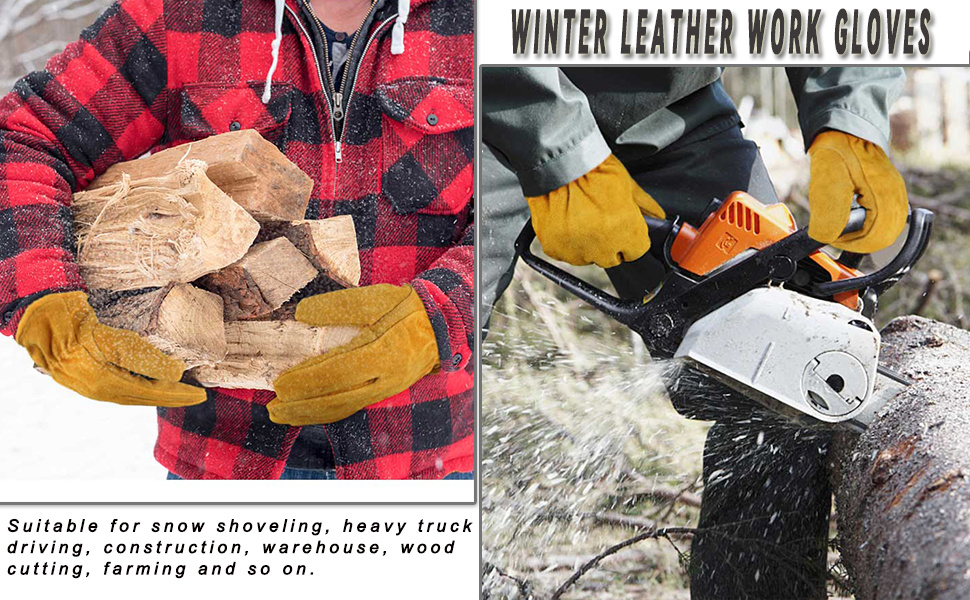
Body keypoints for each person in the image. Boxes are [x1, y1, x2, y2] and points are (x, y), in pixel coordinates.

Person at [0, 0, 474, 481]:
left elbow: (524, 200)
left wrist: (439, 317)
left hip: (427, 460)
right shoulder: (181, 14)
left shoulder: (476, 22)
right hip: (226, 467)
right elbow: (24, 137)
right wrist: (45, 304)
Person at [482, 66, 908, 599]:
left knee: (791, 368)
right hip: (472, 98)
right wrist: (560, 147)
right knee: (406, 360)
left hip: (668, 105)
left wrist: (850, 117)